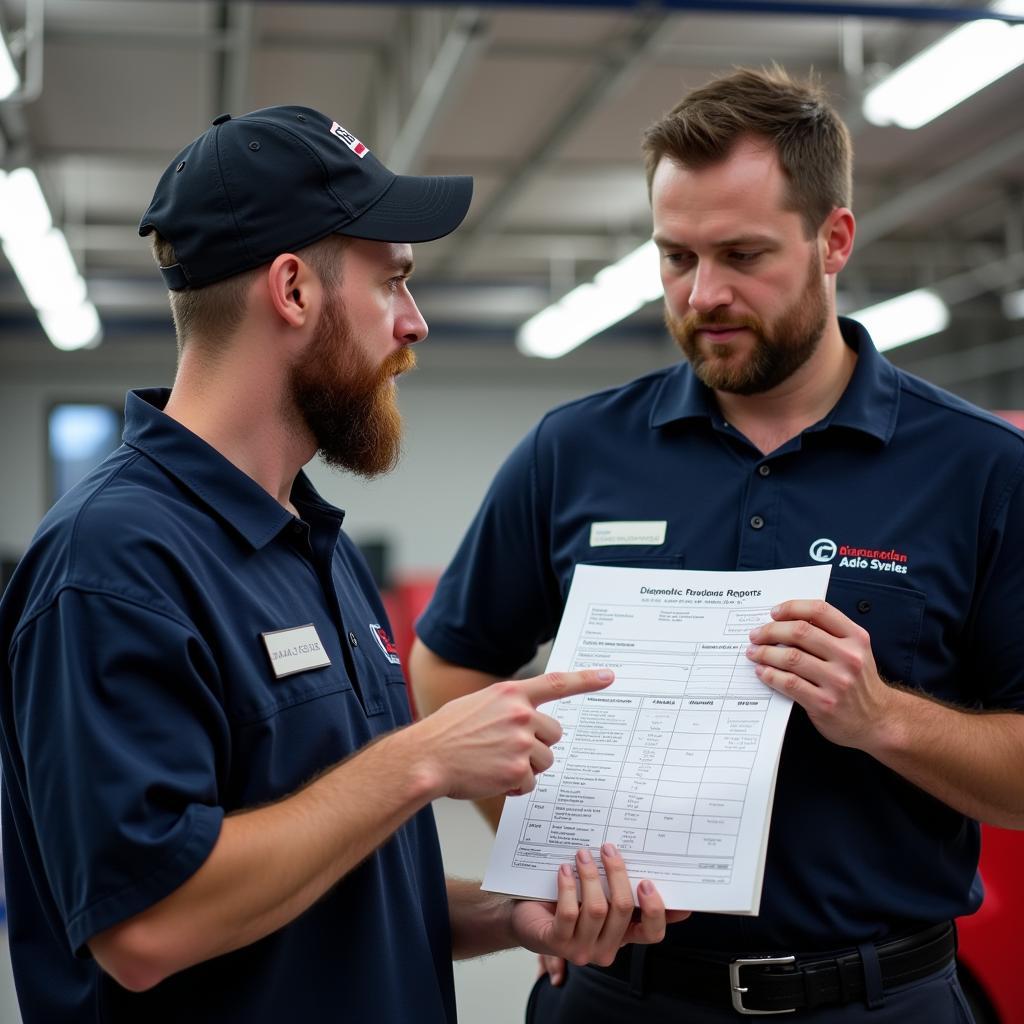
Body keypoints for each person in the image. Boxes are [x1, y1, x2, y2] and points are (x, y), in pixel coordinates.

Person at [0, 105, 685, 1024]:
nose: (416, 323)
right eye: (393, 284)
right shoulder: (114, 561)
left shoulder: (314, 545)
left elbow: (335, 883)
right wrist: (421, 760)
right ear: (293, 291)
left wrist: (509, 913)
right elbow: (148, 927)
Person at [411, 67, 1024, 1022]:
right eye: (675, 256)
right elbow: (448, 668)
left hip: (878, 997)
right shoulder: (574, 451)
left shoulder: (981, 470)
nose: (704, 294)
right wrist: (552, 861)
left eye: (742, 254)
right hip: (622, 996)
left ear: (834, 240)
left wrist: (882, 718)